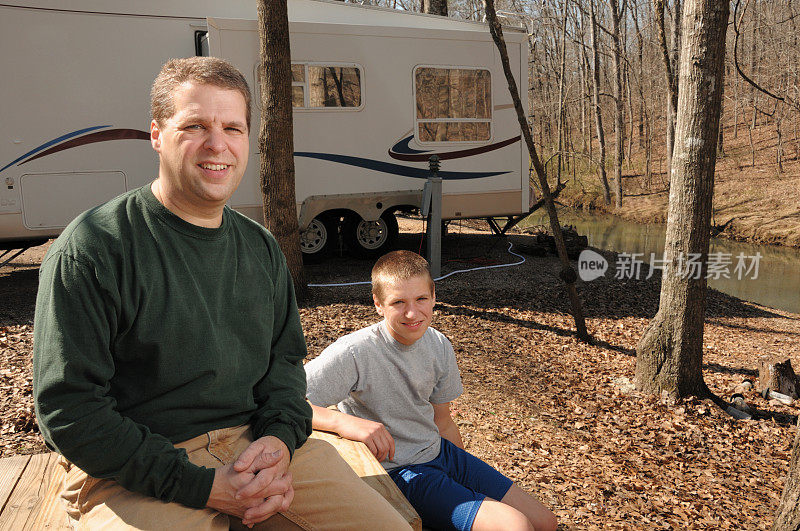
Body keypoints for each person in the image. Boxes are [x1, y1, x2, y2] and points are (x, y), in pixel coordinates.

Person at [33, 56, 409, 530]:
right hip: (134, 468)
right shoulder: (94, 248)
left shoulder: (261, 248)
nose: (218, 144)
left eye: (233, 127)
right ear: (156, 135)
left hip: (255, 444)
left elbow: (285, 370)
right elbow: (69, 411)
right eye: (195, 125)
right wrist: (204, 487)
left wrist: (279, 439)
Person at [305, 251, 558, 531]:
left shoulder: (438, 345)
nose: (412, 313)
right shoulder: (354, 352)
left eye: (421, 299)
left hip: (440, 452)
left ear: (434, 296)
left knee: (545, 522)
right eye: (398, 302)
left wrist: (462, 476)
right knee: (514, 525)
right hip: (400, 471)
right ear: (378, 304)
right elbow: (289, 400)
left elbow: (443, 421)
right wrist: (344, 422)